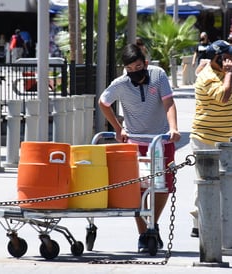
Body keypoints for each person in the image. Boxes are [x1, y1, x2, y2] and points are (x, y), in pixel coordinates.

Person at [98, 43, 181, 252]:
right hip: (136, 141)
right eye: (130, 69)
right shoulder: (121, 84)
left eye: (137, 67)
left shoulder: (158, 75)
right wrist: (118, 128)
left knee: (163, 186)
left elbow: (169, 102)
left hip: (161, 140)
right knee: (138, 189)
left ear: (145, 62)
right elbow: (103, 102)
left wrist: (173, 128)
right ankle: (144, 233)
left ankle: (153, 224)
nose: (135, 72)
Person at [189, 40, 232, 238]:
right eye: (226, 57)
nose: (231, 60)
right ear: (217, 58)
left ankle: (215, 220)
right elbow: (222, 97)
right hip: (207, 138)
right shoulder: (210, 76)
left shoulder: (216, 72)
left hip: (221, 138)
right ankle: (199, 223)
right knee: (205, 181)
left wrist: (227, 72)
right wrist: (229, 73)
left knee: (220, 182)